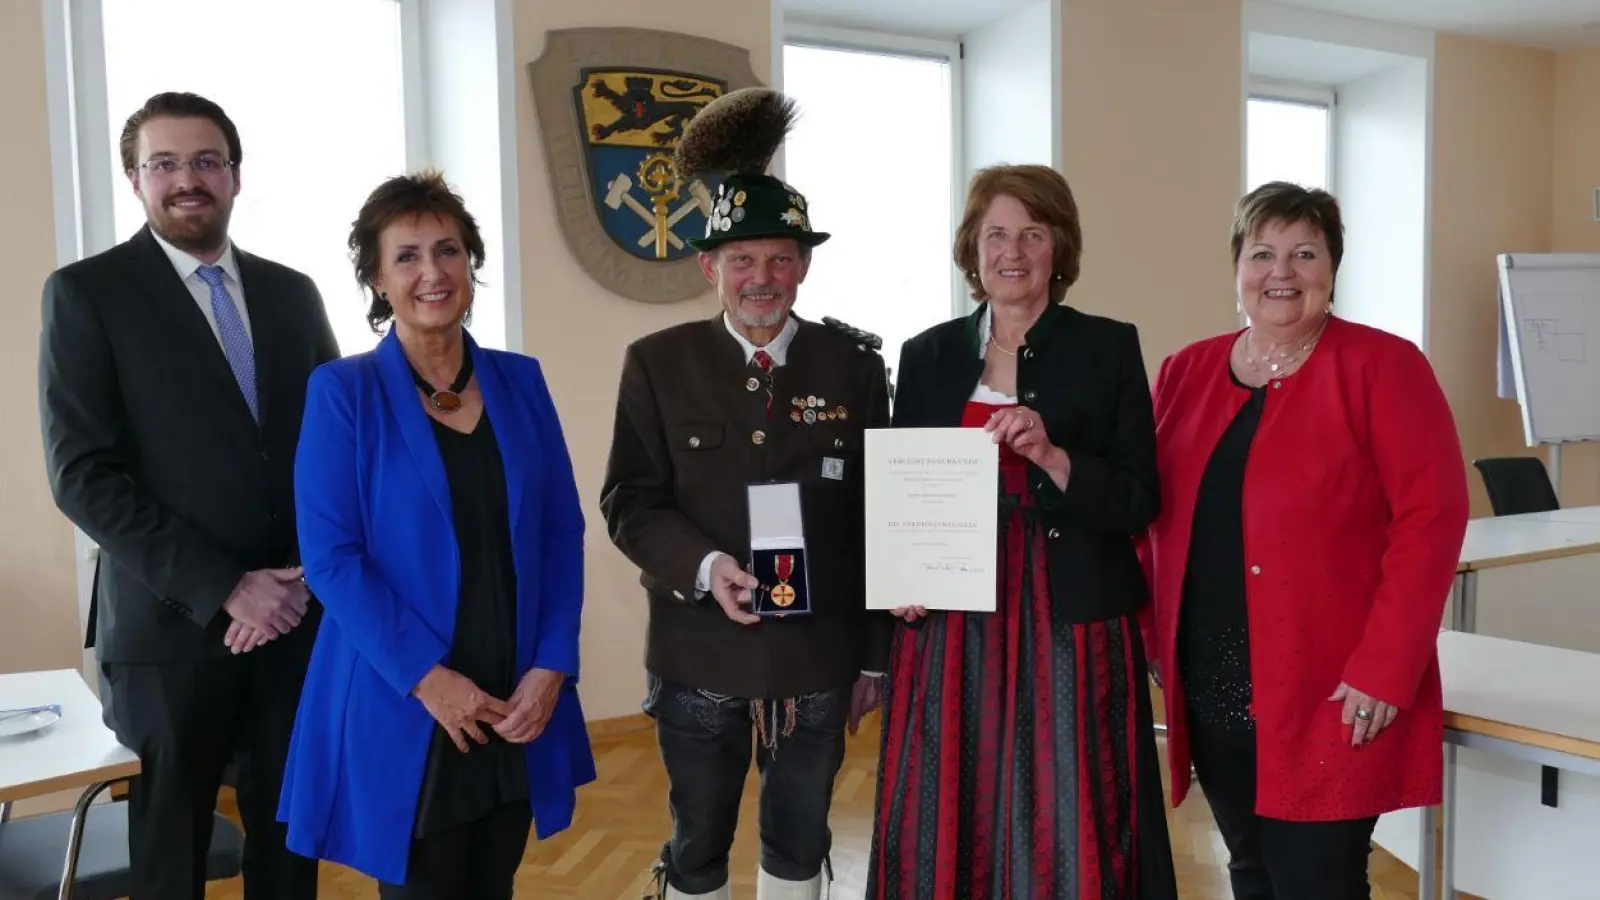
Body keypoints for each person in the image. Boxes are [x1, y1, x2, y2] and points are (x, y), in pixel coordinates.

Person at [37, 91, 337, 900]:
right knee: (171, 857)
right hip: (168, 631)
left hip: (291, 620)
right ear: (134, 180)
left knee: (289, 842)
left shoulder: (292, 293)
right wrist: (225, 588)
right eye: (163, 163)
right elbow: (82, 474)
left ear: (235, 176)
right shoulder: (85, 294)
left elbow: (332, 451)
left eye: (205, 161)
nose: (186, 179)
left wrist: (301, 578)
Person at [599, 87, 893, 900]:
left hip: (819, 657)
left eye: (779, 258)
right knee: (697, 841)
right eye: (741, 260)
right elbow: (629, 499)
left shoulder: (855, 369)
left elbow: (877, 518)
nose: (761, 278)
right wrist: (705, 565)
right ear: (709, 267)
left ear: (803, 264)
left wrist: (875, 656)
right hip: (700, 652)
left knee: (801, 838)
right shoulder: (658, 363)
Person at [1137, 181, 1470, 899]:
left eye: (1304, 253)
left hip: (1334, 688)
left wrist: (1387, 667)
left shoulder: (1384, 367)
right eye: (1262, 253)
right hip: (1215, 682)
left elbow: (1432, 519)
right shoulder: (1186, 372)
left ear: (1332, 269)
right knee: (1251, 871)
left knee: (1318, 880)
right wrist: (1151, 637)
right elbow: (1151, 517)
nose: (1281, 272)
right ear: (1237, 268)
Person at [865, 163, 1179, 900]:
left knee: (1068, 792)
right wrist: (901, 579)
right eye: (996, 233)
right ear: (972, 249)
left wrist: (1051, 454)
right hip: (951, 616)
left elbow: (1138, 499)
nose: (1013, 251)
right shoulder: (926, 354)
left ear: (1058, 248)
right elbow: (901, 486)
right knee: (948, 790)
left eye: (1033, 234)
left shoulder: (1109, 347)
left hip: (1067, 611)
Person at [277, 171, 594, 898]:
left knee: (494, 883)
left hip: (515, 695)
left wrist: (553, 664)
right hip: (409, 699)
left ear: (470, 265)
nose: (432, 272)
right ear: (378, 280)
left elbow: (558, 532)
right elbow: (332, 560)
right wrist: (428, 678)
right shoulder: (342, 392)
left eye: (448, 251)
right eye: (407, 256)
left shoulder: (522, 381)